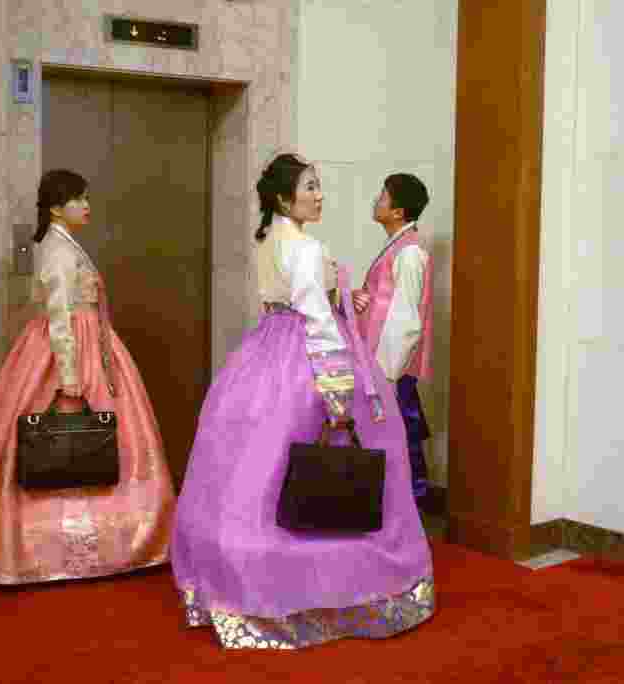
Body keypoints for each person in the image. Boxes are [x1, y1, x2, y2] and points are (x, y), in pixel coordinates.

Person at [169, 153, 434, 650]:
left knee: (252, 468)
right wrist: (337, 389)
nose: (319, 195)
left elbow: (291, 300)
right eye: (310, 187)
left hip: (266, 347)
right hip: (310, 356)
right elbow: (315, 318)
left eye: (318, 186)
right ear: (282, 197)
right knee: (333, 457)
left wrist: (339, 298)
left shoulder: (269, 240)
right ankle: (328, 586)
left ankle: (233, 579)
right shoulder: (307, 246)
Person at [0, 169, 175, 584]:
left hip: (88, 340)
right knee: (66, 435)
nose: (86, 206)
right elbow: (57, 317)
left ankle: (91, 545)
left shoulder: (66, 244)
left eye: (86, 198)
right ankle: (57, 551)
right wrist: (69, 376)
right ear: (56, 207)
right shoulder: (56, 249)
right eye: (78, 199)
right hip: (68, 346)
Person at [353, 174, 434, 504]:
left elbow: (407, 320)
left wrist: (385, 372)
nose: (376, 201)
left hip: (390, 367)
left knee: (396, 436)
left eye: (382, 196)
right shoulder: (397, 248)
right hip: (380, 361)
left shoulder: (409, 253)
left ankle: (408, 509)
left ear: (398, 211)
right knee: (391, 436)